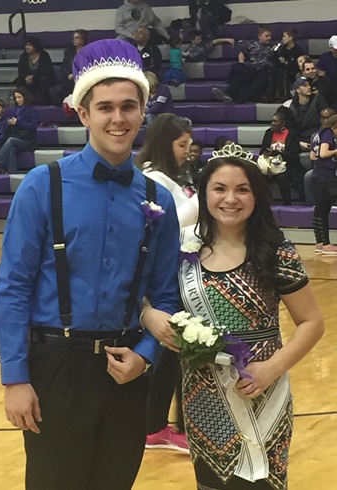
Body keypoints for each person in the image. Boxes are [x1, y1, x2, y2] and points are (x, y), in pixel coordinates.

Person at [0, 39, 180, 490]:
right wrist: (15, 378)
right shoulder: (42, 186)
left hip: (126, 369)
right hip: (54, 367)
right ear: (83, 114)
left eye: (128, 106)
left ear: (142, 113)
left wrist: (147, 356)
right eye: (105, 107)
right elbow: (13, 287)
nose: (117, 118)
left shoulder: (159, 199)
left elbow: (167, 294)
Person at [143, 143, 324, 489]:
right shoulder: (179, 247)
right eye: (220, 189)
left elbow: (312, 323)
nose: (231, 199)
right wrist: (150, 316)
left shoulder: (277, 251)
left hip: (262, 394)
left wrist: (272, 369)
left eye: (243, 189)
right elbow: (143, 298)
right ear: (204, 194)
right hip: (202, 402)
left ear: (257, 196)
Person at [136, 113, 198, 452]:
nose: (186, 152)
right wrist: (204, 200)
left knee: (175, 355)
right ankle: (153, 426)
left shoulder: (172, 177)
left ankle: (164, 423)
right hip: (160, 280)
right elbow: (170, 227)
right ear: (164, 144)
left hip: (179, 275)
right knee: (164, 352)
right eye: (181, 145)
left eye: (188, 145)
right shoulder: (151, 178)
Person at [212, 25, 275, 103]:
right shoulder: (252, 44)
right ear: (259, 36)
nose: (269, 38)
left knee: (261, 80)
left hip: (264, 69)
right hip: (253, 67)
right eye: (267, 36)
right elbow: (242, 54)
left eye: (270, 36)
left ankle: (240, 98)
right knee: (240, 73)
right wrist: (241, 64)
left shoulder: (273, 47)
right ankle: (228, 94)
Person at [0, 87, 38, 174]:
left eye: (19, 97)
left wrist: (18, 122)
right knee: (11, 149)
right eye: (16, 98)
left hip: (28, 139)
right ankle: (12, 174)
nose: (17, 100)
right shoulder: (14, 109)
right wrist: (10, 123)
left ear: (25, 97)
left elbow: (33, 126)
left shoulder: (32, 110)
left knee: (10, 141)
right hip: (17, 135)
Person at [259, 111, 305, 205]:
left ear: (283, 123)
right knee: (258, 175)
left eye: (276, 121)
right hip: (270, 164)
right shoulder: (269, 133)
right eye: (272, 121)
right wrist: (267, 153)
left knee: (282, 177)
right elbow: (262, 150)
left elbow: (293, 155)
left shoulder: (292, 135)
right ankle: (263, 203)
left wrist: (277, 153)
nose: (272, 123)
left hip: (289, 165)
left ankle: (287, 203)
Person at [310, 113, 337, 255]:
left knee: (319, 210)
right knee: (324, 209)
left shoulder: (317, 134)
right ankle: (326, 244)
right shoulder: (327, 133)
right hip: (325, 176)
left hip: (316, 173)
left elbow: (312, 155)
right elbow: (324, 153)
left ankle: (320, 243)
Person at [49, 29, 88, 106]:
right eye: (73, 38)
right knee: (54, 90)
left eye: (77, 38)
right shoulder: (69, 52)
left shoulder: (88, 51)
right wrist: (68, 74)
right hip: (69, 79)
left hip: (83, 78)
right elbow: (64, 66)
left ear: (83, 39)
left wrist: (77, 74)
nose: (74, 40)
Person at [288, 77, 328, 151]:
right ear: (298, 90)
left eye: (309, 85)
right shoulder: (292, 106)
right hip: (301, 138)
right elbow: (292, 128)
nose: (309, 87)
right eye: (304, 85)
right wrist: (298, 142)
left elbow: (326, 118)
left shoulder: (318, 99)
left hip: (318, 136)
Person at [15, 36, 55, 106]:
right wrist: (26, 77)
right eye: (26, 45)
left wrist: (34, 76)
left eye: (30, 45)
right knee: (19, 82)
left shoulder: (44, 55)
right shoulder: (23, 56)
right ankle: (22, 103)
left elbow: (47, 70)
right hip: (27, 79)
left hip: (40, 78)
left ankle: (44, 104)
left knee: (45, 82)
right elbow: (21, 70)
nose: (27, 47)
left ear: (35, 46)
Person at [271, 29, 304, 101]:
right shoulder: (282, 48)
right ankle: (271, 94)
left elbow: (298, 64)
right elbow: (275, 61)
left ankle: (285, 95)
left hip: (293, 70)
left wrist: (286, 62)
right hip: (281, 69)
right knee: (274, 70)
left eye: (284, 36)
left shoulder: (298, 50)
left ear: (290, 38)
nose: (282, 38)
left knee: (283, 72)